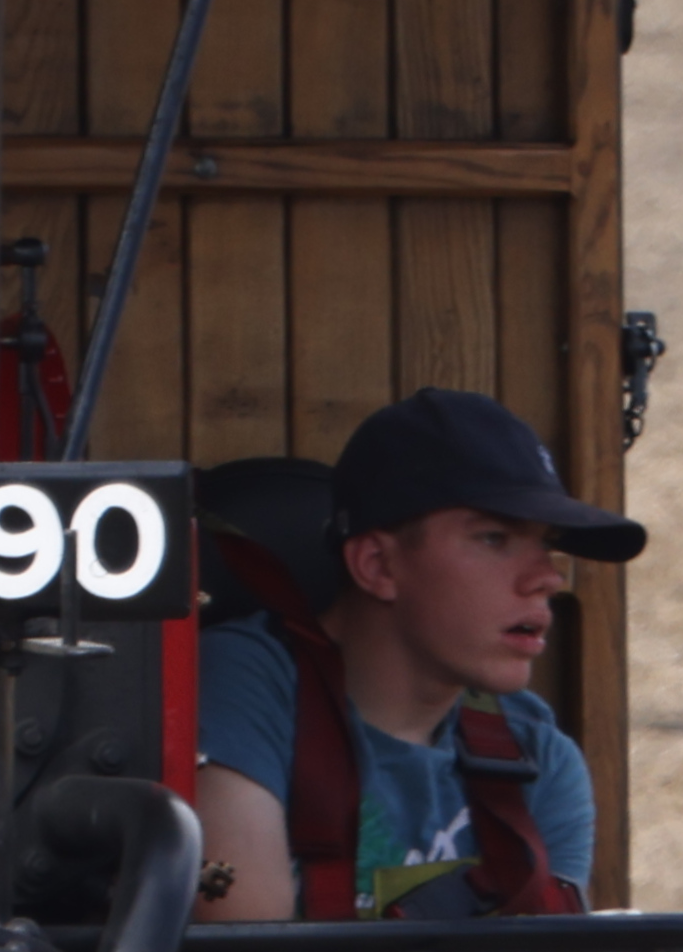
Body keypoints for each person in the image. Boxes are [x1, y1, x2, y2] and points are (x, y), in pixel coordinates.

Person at [191, 387, 636, 923]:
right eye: (495, 538)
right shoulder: (241, 682)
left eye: (548, 545)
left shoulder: (537, 757)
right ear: (377, 565)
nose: (547, 578)